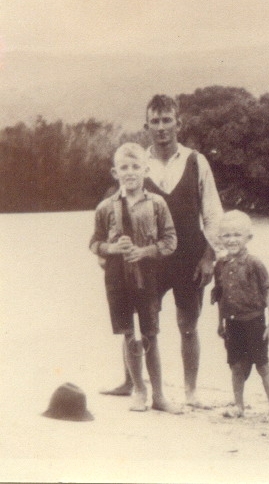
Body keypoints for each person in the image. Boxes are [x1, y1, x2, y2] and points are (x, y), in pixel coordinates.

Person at [101, 95, 223, 409]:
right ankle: (134, 384)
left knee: (188, 325)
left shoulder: (196, 161)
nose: (161, 127)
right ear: (146, 126)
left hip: (190, 257)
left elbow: (213, 214)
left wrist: (210, 256)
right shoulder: (136, 163)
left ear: (178, 123)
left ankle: (191, 392)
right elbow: (117, 210)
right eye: (154, 121)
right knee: (141, 324)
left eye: (167, 120)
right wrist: (112, 253)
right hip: (149, 260)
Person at [89, 142, 180, 413]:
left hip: (148, 275)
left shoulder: (157, 204)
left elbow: (171, 240)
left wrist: (145, 251)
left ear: (146, 170)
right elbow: (94, 243)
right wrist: (112, 248)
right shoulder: (105, 207)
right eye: (124, 168)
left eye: (136, 167)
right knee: (129, 334)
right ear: (115, 172)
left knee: (150, 333)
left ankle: (160, 395)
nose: (130, 173)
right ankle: (138, 390)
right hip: (117, 278)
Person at [211, 210, 269, 425]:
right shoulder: (220, 265)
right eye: (227, 235)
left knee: (262, 365)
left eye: (237, 235)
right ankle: (239, 406)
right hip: (232, 322)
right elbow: (220, 294)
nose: (232, 240)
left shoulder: (255, 264)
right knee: (236, 366)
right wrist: (220, 322)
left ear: (248, 237)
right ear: (220, 239)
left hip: (254, 321)